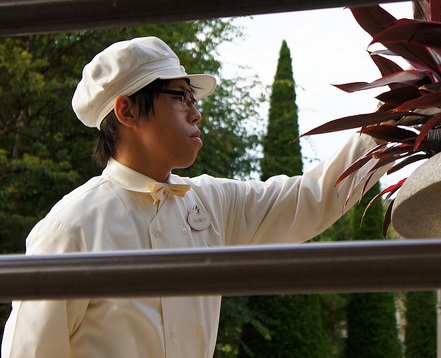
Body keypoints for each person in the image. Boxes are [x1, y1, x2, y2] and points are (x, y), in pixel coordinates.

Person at [1, 36, 387, 357]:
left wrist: (399, 117)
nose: (196, 113)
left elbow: (313, 197)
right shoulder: (72, 227)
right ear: (127, 110)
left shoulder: (210, 202)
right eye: (181, 97)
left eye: (194, 100)